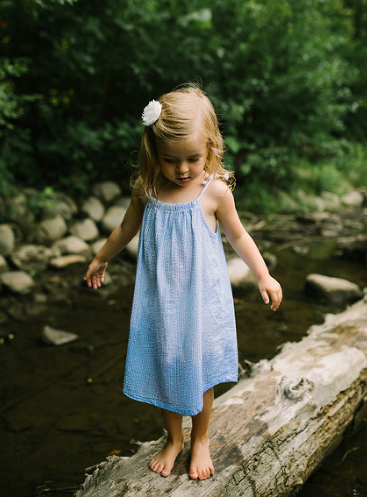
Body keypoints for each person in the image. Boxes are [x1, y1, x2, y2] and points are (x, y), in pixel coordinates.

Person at [84, 84, 282, 481]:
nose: (182, 169)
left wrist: (263, 273)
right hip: (160, 302)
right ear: (153, 154)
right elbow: (125, 229)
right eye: (170, 160)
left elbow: (239, 236)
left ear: (210, 148)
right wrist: (100, 258)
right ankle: (173, 438)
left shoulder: (214, 193)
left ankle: (201, 437)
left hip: (200, 303)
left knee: (198, 369)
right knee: (166, 367)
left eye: (193, 158)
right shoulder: (147, 190)